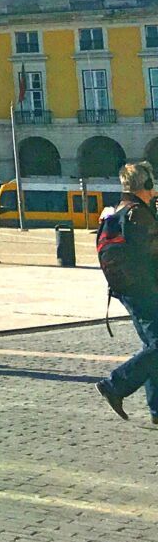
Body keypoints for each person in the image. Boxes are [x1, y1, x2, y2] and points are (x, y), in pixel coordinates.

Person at [98, 161, 158, 424]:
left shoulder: (118, 211)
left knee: (152, 346)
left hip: (127, 289)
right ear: (145, 184)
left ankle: (157, 410)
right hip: (145, 289)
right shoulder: (139, 215)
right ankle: (116, 385)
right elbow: (152, 254)